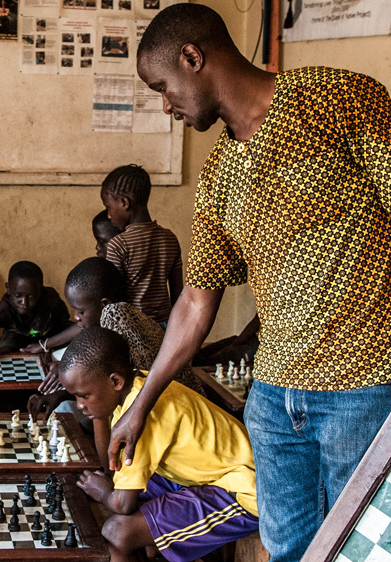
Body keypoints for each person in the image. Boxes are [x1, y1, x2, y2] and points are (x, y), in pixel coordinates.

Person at [109, 5, 391, 561]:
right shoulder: (218, 173)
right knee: (290, 550)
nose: (165, 104)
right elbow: (196, 299)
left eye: (163, 86)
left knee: (372, 548)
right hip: (275, 402)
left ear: (192, 58)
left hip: (369, 387)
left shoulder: (341, 98)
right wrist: (142, 404)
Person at [65, 328, 258, 562]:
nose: (80, 405)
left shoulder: (141, 417)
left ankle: (151, 544)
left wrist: (105, 492)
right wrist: (98, 416)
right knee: (121, 493)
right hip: (209, 476)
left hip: (245, 491)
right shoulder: (137, 388)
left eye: (83, 395)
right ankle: (153, 546)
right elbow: (111, 467)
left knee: (117, 533)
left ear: (115, 381)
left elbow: (122, 504)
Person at [27, 257, 203, 429]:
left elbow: (104, 384)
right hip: (181, 399)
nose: (76, 317)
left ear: (104, 304)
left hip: (171, 408)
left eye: (80, 311)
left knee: (75, 415)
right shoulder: (123, 310)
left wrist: (63, 393)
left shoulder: (114, 318)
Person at [101, 164, 183, 325]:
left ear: (124, 203)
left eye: (108, 207)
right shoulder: (169, 238)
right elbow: (178, 295)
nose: (109, 216)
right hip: (166, 329)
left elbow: (115, 304)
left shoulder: (119, 244)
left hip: (133, 329)